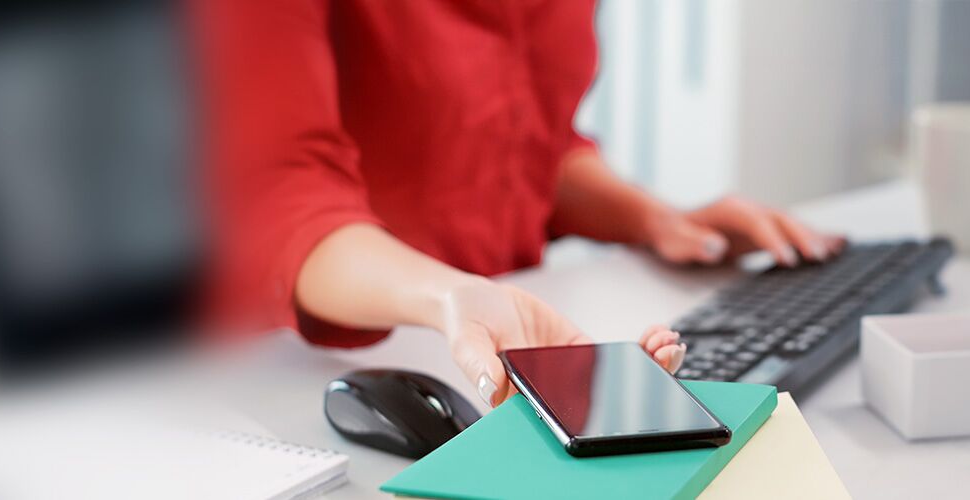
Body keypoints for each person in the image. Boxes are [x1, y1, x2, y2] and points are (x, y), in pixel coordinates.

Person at [197, 1, 843, 407]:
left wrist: (654, 220)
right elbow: (277, 200)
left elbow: (524, 147)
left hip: (496, 336)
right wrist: (450, 298)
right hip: (273, 383)